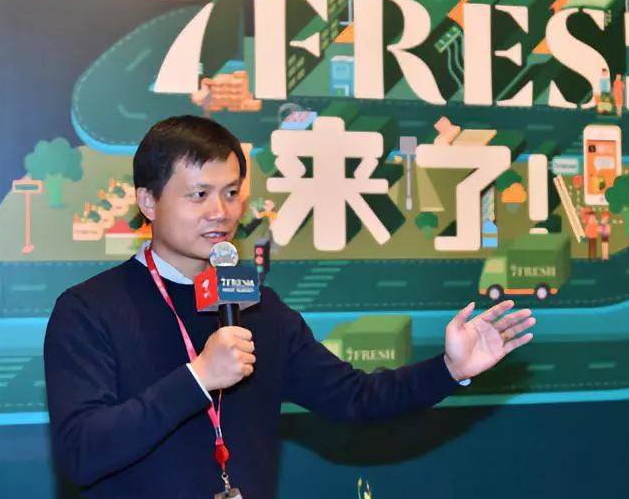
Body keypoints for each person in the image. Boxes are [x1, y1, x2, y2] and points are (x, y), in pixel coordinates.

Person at [44, 115, 536, 498]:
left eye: (231, 193)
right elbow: (83, 451)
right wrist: (197, 379)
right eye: (199, 195)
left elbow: (355, 398)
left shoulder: (257, 307)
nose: (221, 212)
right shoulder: (89, 310)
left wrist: (449, 369)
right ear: (148, 202)